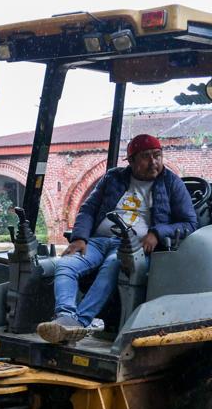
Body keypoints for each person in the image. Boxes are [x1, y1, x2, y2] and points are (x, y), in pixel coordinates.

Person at [38, 134, 198, 343]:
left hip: (132, 247)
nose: (154, 162)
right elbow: (88, 209)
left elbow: (189, 223)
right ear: (131, 161)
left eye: (157, 155)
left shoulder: (171, 183)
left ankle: (78, 323)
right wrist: (80, 238)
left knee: (114, 264)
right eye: (146, 156)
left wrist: (157, 233)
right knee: (66, 264)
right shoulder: (113, 178)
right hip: (97, 242)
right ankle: (65, 317)